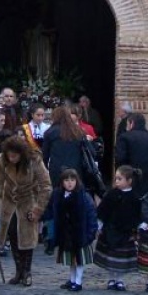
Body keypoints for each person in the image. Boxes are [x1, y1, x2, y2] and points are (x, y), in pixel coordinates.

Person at [0, 134, 52, 287]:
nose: (12, 159)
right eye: (9, 156)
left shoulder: (34, 160)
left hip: (28, 200)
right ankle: (19, 271)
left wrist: (38, 209)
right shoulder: (2, 160)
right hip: (9, 201)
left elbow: (46, 185)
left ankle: (27, 272)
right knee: (13, 234)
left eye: (15, 156)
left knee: (27, 237)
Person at [41, 104, 95, 255]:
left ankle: (51, 239)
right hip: (75, 174)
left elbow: (44, 157)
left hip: (57, 174)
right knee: (75, 205)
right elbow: (90, 153)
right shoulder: (78, 132)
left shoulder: (51, 132)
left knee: (54, 205)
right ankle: (75, 235)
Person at [42, 167, 98, 291]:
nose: (69, 182)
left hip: (80, 234)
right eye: (66, 180)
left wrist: (90, 234)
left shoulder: (83, 196)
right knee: (71, 261)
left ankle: (78, 282)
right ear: (62, 182)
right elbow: (51, 212)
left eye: (72, 180)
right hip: (66, 234)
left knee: (79, 260)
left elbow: (91, 215)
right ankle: (72, 280)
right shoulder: (58, 195)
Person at [94, 165, 142, 291]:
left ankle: (120, 280)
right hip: (111, 230)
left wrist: (137, 227)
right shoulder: (111, 194)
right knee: (111, 257)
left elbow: (138, 214)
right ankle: (111, 279)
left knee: (121, 258)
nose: (117, 181)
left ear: (129, 181)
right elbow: (103, 210)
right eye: (116, 179)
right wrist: (99, 224)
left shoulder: (134, 197)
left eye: (120, 179)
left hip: (126, 232)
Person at [114, 112, 148, 202]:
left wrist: (119, 179)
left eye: (127, 124)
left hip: (131, 185)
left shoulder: (125, 138)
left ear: (132, 123)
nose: (126, 127)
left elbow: (120, 160)